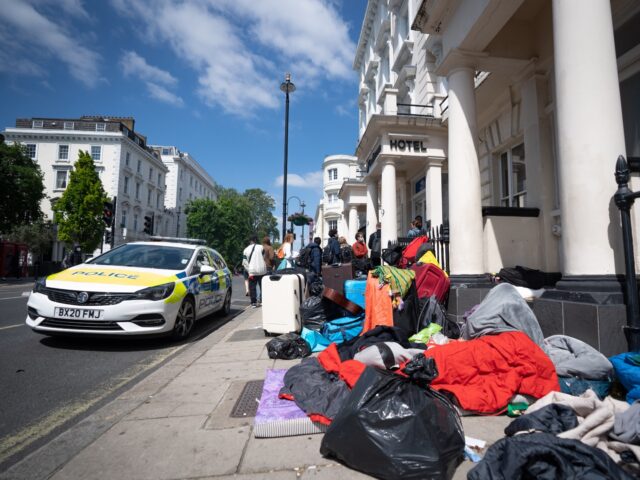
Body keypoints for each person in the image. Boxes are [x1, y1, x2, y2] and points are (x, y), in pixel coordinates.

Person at [242, 235, 267, 308]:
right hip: (262, 270)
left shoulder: (246, 250)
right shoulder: (261, 247)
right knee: (263, 286)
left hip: (252, 271)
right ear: (256, 240)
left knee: (252, 287)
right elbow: (264, 256)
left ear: (250, 241)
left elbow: (244, 262)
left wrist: (248, 270)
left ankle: (253, 302)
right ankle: (263, 300)